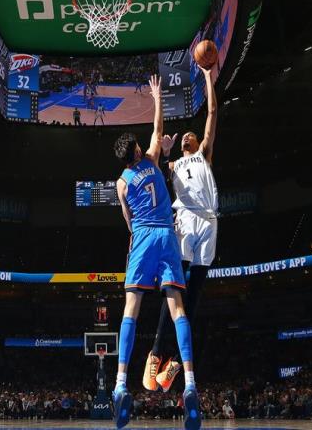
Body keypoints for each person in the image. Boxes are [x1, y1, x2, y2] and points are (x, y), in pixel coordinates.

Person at [112, 75, 200, 430]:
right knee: (178, 310)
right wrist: (157, 97)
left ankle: (120, 384)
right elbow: (158, 127)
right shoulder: (151, 158)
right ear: (137, 150)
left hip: (143, 238)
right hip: (167, 236)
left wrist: (136, 234)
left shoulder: (121, 183)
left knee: (131, 311)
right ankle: (190, 382)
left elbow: (127, 219)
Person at [143, 64, 218, 393]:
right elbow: (155, 170)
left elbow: (212, 112)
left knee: (195, 292)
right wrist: (165, 151)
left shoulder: (204, 154)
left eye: (192, 134)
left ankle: (173, 360)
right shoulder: (173, 163)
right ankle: (156, 352)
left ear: (198, 141)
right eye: (184, 136)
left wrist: (207, 78)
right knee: (176, 287)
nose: (188, 135)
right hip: (184, 219)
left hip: (209, 221)